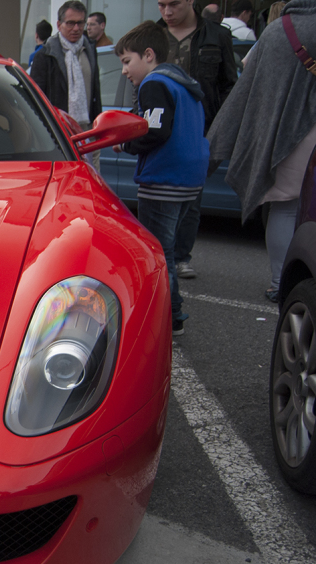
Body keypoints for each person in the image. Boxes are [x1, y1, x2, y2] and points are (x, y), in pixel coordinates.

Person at [207, 0, 316, 302]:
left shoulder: (278, 28)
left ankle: (280, 281)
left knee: (284, 206)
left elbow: (248, 70)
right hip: (309, 128)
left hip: (287, 134)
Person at [115, 21, 209, 337]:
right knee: (168, 251)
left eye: (127, 61)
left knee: (159, 253)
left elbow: (155, 130)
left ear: (149, 55)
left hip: (164, 177)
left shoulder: (154, 84)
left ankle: (171, 317)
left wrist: (126, 142)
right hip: (191, 178)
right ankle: (174, 313)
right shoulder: (184, 82)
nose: (125, 71)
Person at [157, 0, 237, 280]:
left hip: (201, 128)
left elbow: (229, 85)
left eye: (173, 4)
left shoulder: (217, 35)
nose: (167, 12)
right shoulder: (154, 33)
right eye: (160, 4)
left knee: (191, 197)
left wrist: (219, 128)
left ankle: (181, 257)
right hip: (162, 127)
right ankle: (161, 257)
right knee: (157, 196)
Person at [29, 1, 102, 165]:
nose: (76, 28)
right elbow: (36, 100)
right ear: (59, 24)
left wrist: (98, 126)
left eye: (80, 23)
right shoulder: (45, 56)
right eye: (70, 23)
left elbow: (95, 90)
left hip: (88, 130)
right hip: (58, 134)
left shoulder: (89, 50)